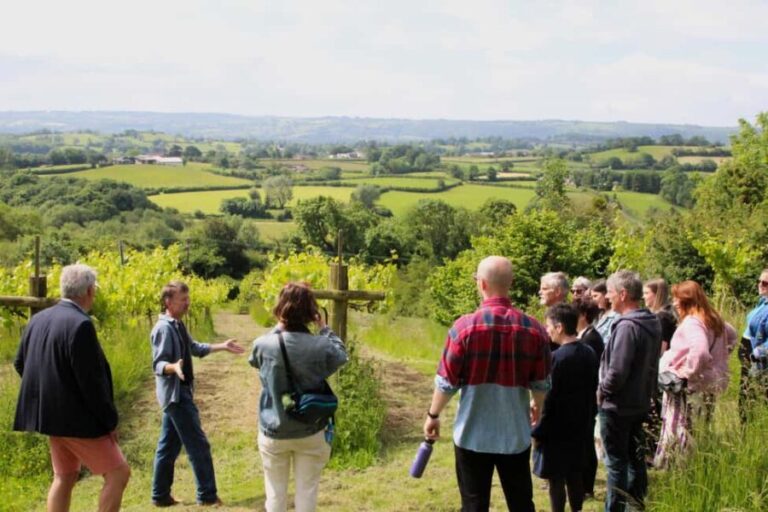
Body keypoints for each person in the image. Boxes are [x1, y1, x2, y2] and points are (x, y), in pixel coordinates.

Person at [423, 256, 551, 511]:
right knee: (521, 503)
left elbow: (447, 381)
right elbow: (541, 382)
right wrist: (537, 406)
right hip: (514, 434)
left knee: (473, 504)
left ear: (481, 284)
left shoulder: (464, 328)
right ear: (511, 283)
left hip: (473, 435)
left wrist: (433, 415)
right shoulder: (535, 330)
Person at [13, 264, 130, 512]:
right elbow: (91, 383)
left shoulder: (39, 318)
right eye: (94, 290)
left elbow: (21, 364)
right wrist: (110, 422)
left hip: (49, 417)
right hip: (78, 422)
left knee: (64, 477)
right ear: (88, 291)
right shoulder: (81, 324)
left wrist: (51, 392)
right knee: (118, 473)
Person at [249, 282, 348, 512]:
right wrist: (324, 329)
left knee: (274, 493)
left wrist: (279, 326)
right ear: (311, 312)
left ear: (279, 308)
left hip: (274, 428)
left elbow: (254, 361)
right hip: (311, 428)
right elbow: (341, 356)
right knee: (307, 492)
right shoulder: (320, 345)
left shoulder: (263, 344)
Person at [150, 281, 245, 507]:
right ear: (168, 302)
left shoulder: (177, 325)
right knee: (198, 445)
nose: (187, 303)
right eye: (183, 300)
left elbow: (195, 348)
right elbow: (158, 364)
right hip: (177, 395)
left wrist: (222, 346)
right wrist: (174, 367)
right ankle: (207, 496)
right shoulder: (164, 328)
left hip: (178, 394)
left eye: (187, 299)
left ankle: (160, 496)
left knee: (168, 446)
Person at [654, 281, 737, 468]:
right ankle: (696, 465)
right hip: (708, 383)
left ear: (687, 301)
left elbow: (699, 351)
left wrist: (687, 372)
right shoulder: (712, 318)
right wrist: (722, 356)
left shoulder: (693, 322)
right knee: (700, 426)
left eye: (678, 299)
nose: (674, 303)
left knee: (681, 427)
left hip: (689, 387)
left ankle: (678, 468)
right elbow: (733, 335)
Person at [597, 270, 661, 512]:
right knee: (635, 458)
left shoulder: (626, 326)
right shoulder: (650, 321)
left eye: (611, 293)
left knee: (616, 462)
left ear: (623, 294)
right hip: (639, 401)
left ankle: (616, 508)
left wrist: (602, 390)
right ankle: (636, 504)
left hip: (618, 405)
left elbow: (617, 371)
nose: (608, 298)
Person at [532, 304, 599, 512]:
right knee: (575, 474)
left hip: (557, 428)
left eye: (549, 325)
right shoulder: (588, 352)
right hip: (581, 424)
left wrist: (538, 430)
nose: (547, 329)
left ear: (559, 327)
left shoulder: (556, 358)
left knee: (556, 478)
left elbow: (549, 399)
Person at [572, 296, 603, 497]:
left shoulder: (591, 338)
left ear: (583, 315)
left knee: (586, 442)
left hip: (587, 396)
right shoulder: (584, 335)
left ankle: (586, 487)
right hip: (583, 396)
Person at [739, 267, 768, 421]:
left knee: (756, 403)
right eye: (759, 281)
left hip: (762, 365)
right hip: (750, 362)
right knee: (745, 402)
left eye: (766, 283)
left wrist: (759, 353)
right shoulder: (762, 303)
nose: (761, 285)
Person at [643, 278, 677, 353]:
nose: (643, 297)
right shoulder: (669, 312)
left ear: (657, 294)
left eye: (646, 293)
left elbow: (661, 349)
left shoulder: (662, 318)